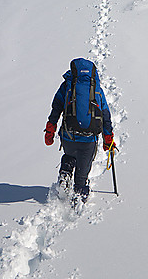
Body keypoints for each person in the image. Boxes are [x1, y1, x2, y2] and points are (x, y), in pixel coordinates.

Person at [44, 58, 116, 203]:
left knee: (69, 155)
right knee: (82, 174)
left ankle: (65, 172)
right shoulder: (96, 89)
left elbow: (56, 108)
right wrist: (108, 139)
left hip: (68, 136)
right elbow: (105, 116)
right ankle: (79, 198)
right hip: (89, 140)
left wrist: (50, 130)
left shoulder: (67, 86)